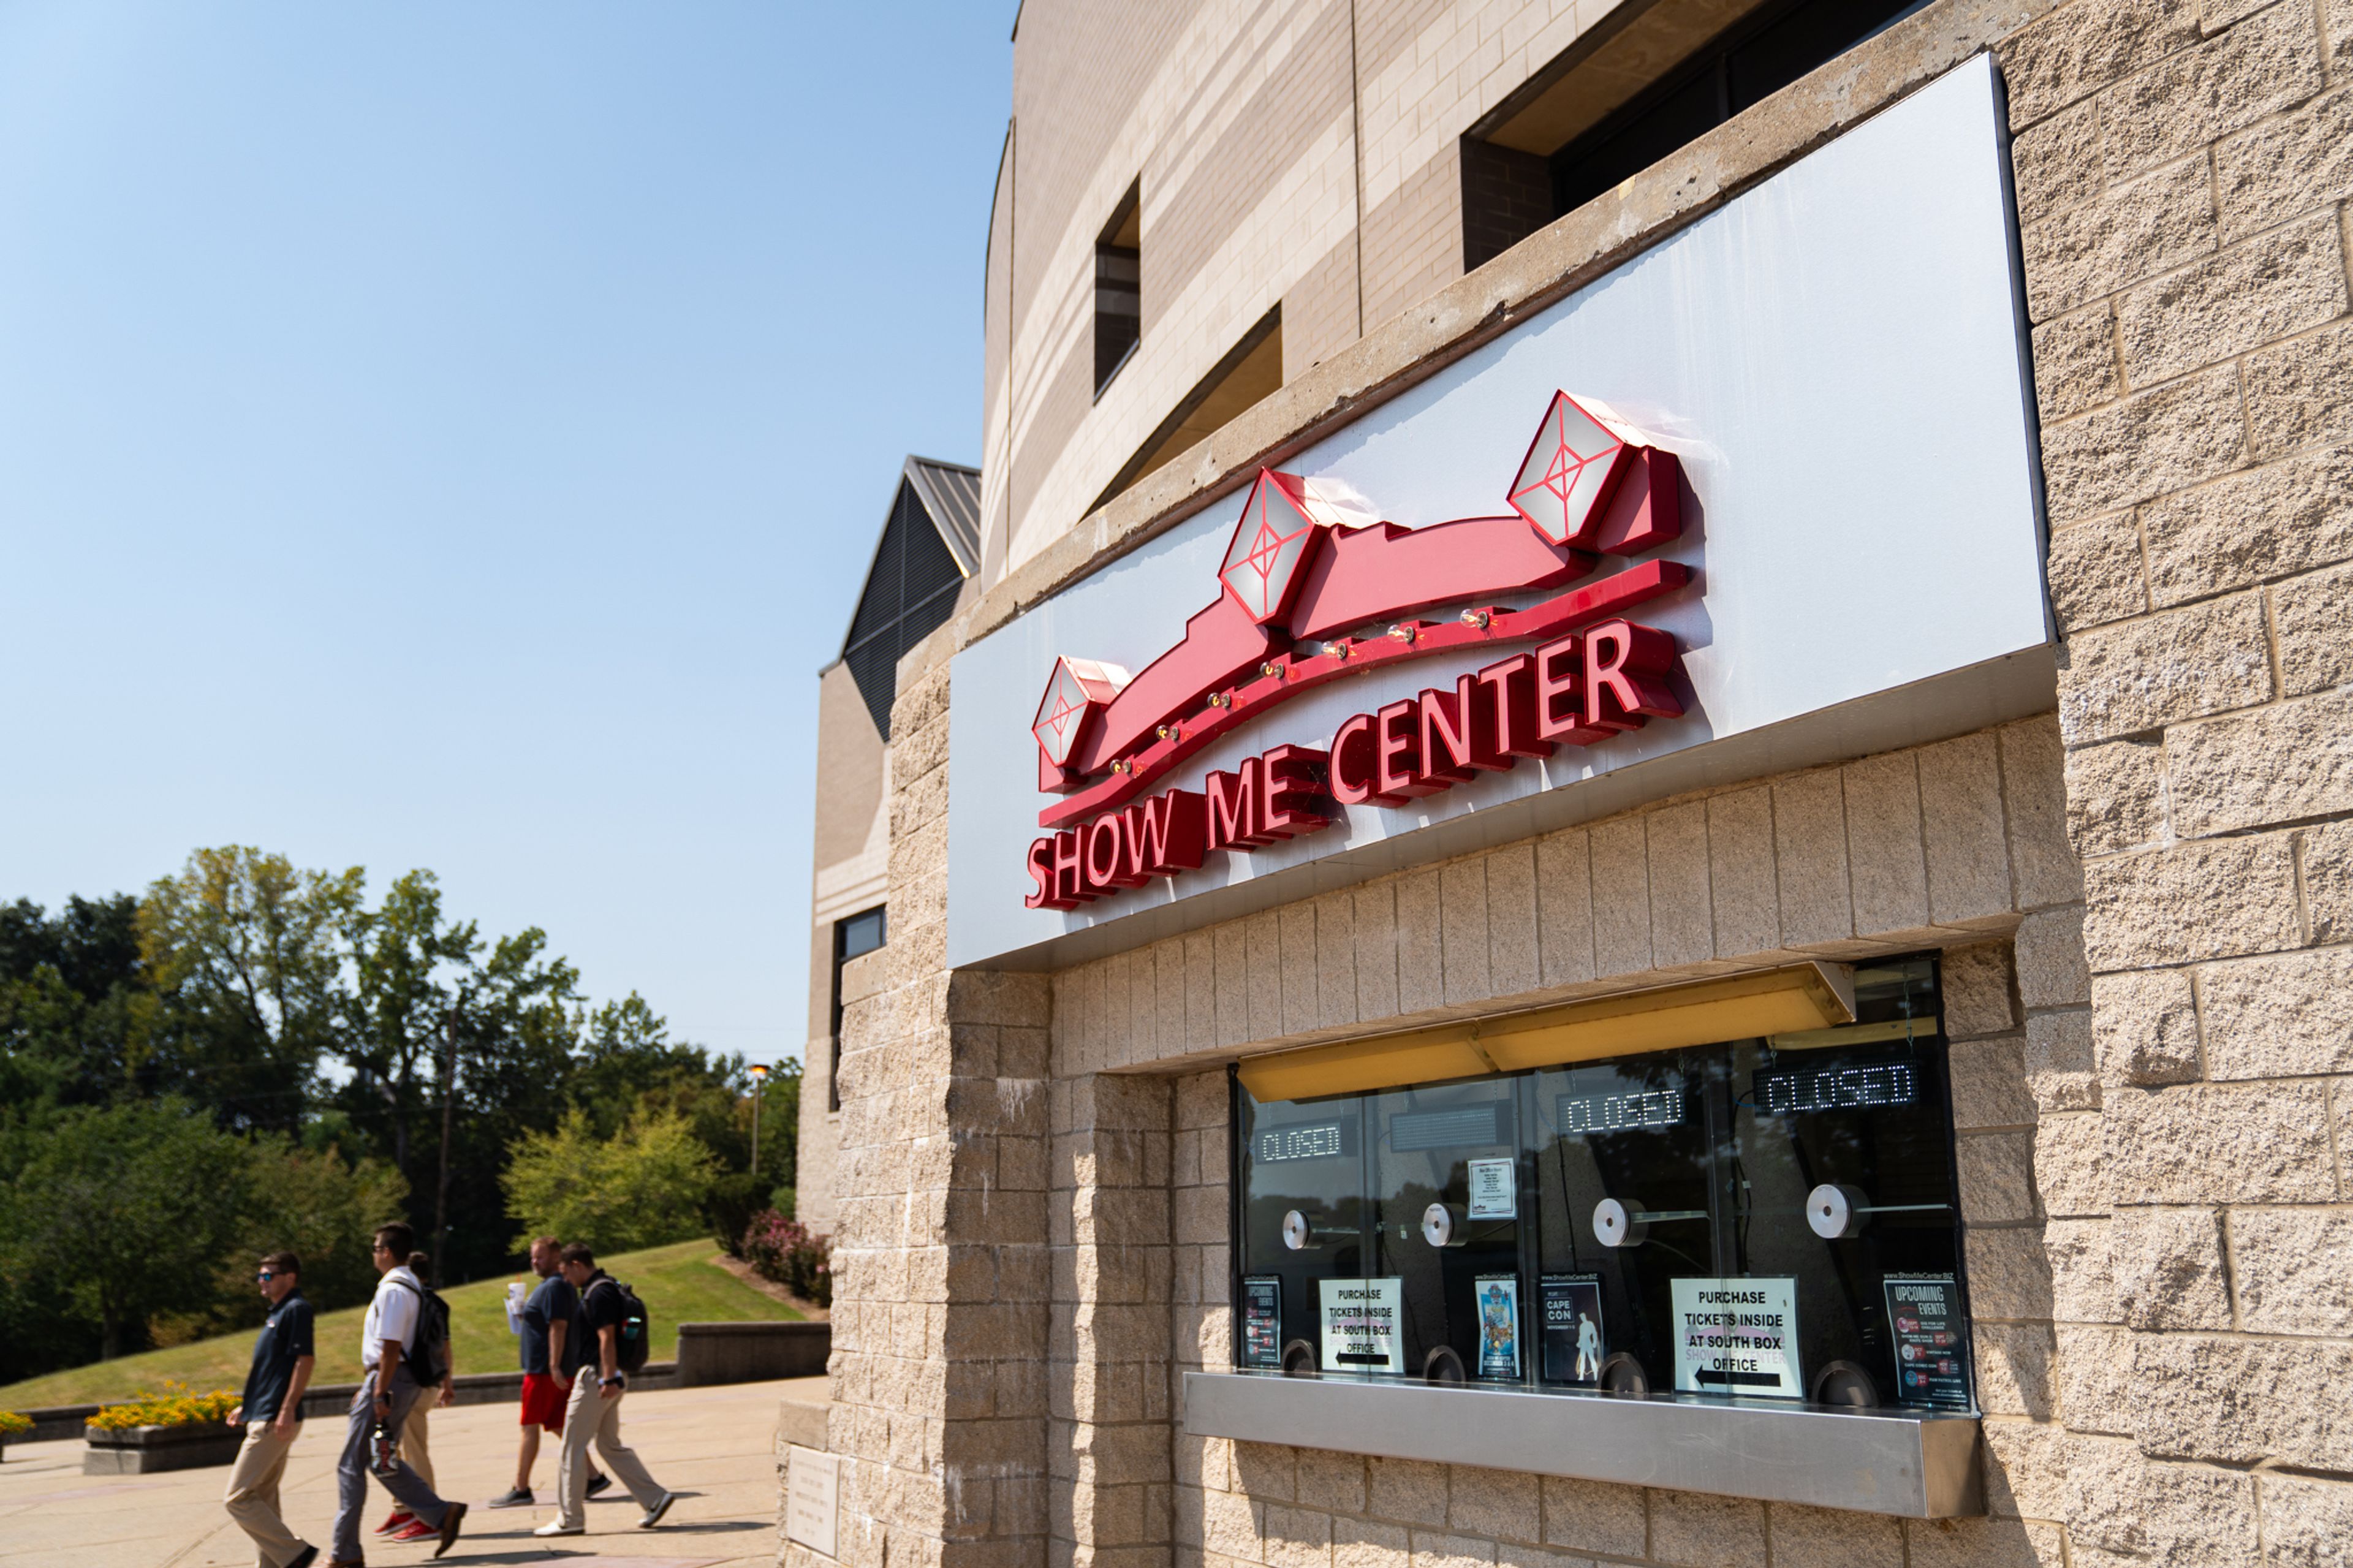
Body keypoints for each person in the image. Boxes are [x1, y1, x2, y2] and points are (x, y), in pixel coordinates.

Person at [326, 1223, 466, 1566]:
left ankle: (345, 1554)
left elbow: (390, 1347)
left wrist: (376, 1392)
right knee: (382, 1460)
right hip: (405, 1381)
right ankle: (440, 1513)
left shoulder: (392, 1290)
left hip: (389, 1380)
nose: (374, 1254)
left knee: (350, 1465)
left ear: (387, 1252)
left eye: (376, 1248)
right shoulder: (413, 1286)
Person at [532, 1243, 675, 1536]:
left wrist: (607, 1379)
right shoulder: (607, 1286)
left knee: (571, 1447)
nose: (566, 1280)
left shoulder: (598, 1292)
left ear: (576, 1264)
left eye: (565, 1272)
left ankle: (569, 1519)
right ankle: (654, 1499)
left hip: (598, 1378)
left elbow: (606, 1337)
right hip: (612, 1376)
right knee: (608, 1444)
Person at [485, 1237, 608, 1510]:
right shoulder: (553, 1286)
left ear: (556, 1257)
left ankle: (521, 1488)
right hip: (547, 1369)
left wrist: (553, 1365)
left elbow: (558, 1326)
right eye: (532, 1257)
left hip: (542, 1371)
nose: (534, 1262)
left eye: (540, 1257)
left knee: (529, 1427)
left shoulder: (555, 1286)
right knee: (557, 1425)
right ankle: (593, 1477)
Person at [222, 1251, 318, 1568]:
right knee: (263, 1498)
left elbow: (305, 1360)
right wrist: (247, 1406)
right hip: (263, 1412)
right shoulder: (277, 1313)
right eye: (259, 1276)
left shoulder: (297, 1310)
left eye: (268, 1275)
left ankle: (295, 1554)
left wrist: (287, 1408)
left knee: (237, 1498)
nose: (261, 1281)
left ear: (290, 1277)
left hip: (275, 1419)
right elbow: (272, 1370)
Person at [374, 1252, 457, 1541]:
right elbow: (444, 1348)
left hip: (411, 1383)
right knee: (388, 1445)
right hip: (425, 1381)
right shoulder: (434, 1301)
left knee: (411, 1448)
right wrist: (447, 1383)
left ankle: (429, 1514)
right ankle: (405, 1508)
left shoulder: (410, 1296)